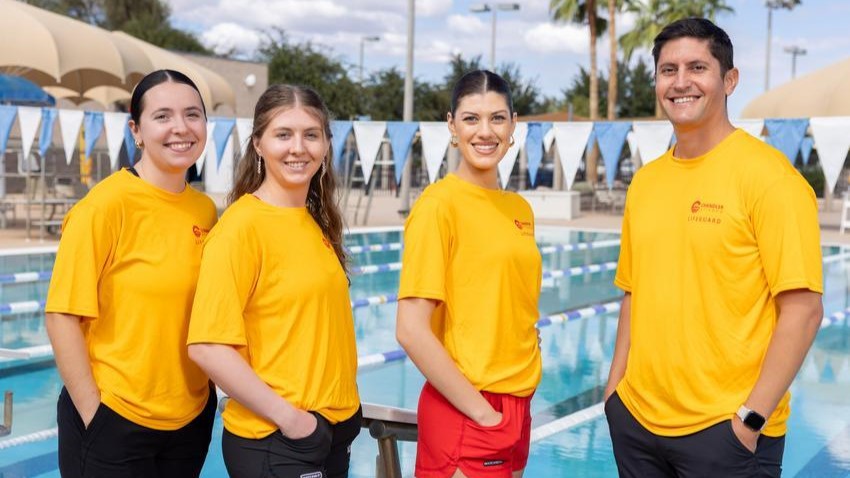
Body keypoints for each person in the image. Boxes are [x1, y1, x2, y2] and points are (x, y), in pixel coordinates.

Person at [604, 18, 823, 477]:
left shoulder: (771, 178)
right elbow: (632, 292)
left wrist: (750, 420)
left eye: (697, 67)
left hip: (726, 434)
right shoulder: (646, 182)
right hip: (638, 423)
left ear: (729, 80)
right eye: (668, 70)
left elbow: (802, 311)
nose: (681, 82)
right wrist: (614, 394)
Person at [45, 69, 217, 477]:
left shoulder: (205, 210)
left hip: (189, 419)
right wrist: (94, 412)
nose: (181, 128)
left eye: (192, 115)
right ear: (137, 131)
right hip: (115, 417)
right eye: (163, 116)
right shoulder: (104, 207)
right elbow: (61, 316)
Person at [187, 84, 360, 478]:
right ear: (259, 145)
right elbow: (208, 347)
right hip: (278, 442)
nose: (298, 148)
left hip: (327, 436)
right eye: (283, 134)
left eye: (310, 135)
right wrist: (293, 421)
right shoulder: (242, 228)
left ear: (327, 145)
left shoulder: (313, 220)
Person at [396, 70, 542, 478]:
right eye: (471, 118)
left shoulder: (519, 209)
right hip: (467, 409)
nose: (485, 131)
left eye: (497, 118)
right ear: (452, 126)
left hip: (517, 403)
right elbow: (410, 329)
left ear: (514, 125)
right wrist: (481, 411)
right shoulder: (439, 206)